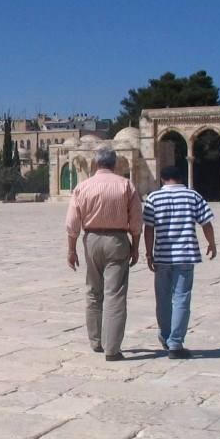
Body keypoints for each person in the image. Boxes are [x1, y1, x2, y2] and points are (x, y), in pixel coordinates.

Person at [65, 147, 142, 361]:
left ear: (95, 164)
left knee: (93, 291)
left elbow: (72, 223)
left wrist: (71, 250)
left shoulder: (82, 187)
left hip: (91, 240)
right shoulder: (126, 185)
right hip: (117, 241)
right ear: (114, 164)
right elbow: (136, 221)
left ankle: (96, 341)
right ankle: (112, 348)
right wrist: (135, 246)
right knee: (114, 294)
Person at [143, 166, 216, 360]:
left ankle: (166, 336)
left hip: (162, 255)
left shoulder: (153, 198)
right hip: (186, 255)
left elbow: (148, 228)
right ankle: (175, 343)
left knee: (163, 298)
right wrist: (212, 243)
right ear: (180, 178)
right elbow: (206, 223)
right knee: (182, 298)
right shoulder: (193, 196)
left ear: (162, 179)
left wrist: (148, 253)